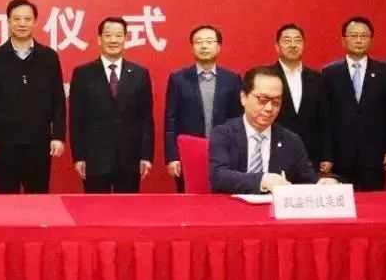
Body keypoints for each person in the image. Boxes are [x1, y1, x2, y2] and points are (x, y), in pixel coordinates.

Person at [0, 0, 66, 194]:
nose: (22, 23)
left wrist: (58, 136)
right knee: (6, 199)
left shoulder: (49, 57)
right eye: (16, 19)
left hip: (39, 143)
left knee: (38, 198)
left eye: (27, 19)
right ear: (8, 22)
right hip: (4, 145)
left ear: (35, 22)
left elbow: (58, 101)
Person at [209, 66, 338, 195]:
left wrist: (322, 183)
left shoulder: (291, 141)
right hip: (233, 205)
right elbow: (219, 176)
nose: (269, 108)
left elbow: (307, 180)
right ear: (243, 97)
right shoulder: (223, 134)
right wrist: (262, 180)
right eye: (262, 100)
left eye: (276, 102)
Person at [69, 16, 154, 193]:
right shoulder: (83, 73)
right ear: (99, 39)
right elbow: (76, 119)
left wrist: (146, 155)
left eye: (118, 35)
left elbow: (146, 118)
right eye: (108, 35)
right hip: (94, 159)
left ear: (125, 39)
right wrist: (79, 156)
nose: (113, 40)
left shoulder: (139, 73)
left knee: (127, 209)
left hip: (130, 158)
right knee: (95, 208)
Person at [322, 16, 386, 191]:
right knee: (343, 202)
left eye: (364, 36)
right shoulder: (329, 73)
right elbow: (325, 118)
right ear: (343, 40)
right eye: (353, 35)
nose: (359, 40)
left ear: (371, 40)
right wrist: (326, 154)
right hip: (341, 155)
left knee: (373, 203)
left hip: (375, 155)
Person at [163, 25, 243, 192]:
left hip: (224, 151)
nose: (204, 46)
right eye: (198, 42)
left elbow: (238, 119)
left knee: (223, 199)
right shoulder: (178, 78)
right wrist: (172, 156)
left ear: (218, 46)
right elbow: (171, 121)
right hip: (189, 152)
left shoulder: (232, 79)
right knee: (189, 199)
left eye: (209, 41)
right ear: (192, 47)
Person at [269, 23, 332, 172]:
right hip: (273, 151)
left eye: (297, 40)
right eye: (287, 40)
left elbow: (325, 119)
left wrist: (327, 155)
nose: (293, 45)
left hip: (310, 154)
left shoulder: (317, 79)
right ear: (277, 47)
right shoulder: (266, 76)